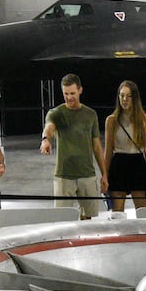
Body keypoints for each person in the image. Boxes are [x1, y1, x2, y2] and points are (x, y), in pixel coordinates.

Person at [40, 73, 105, 220]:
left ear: (80, 90)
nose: (69, 97)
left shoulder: (90, 114)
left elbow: (97, 146)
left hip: (87, 174)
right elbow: (49, 127)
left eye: (72, 93)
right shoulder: (56, 113)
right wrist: (46, 139)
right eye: (66, 94)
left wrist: (104, 174)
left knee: (88, 218)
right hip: (64, 175)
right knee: (63, 219)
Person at [102, 79, 146, 213]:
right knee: (117, 214)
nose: (124, 99)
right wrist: (104, 175)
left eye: (128, 96)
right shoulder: (111, 121)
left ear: (134, 98)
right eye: (122, 95)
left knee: (142, 212)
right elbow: (108, 151)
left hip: (138, 164)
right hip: (118, 165)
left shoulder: (144, 120)